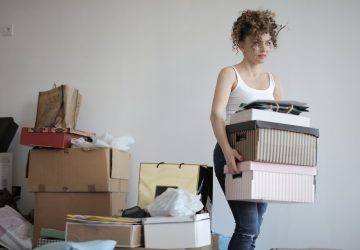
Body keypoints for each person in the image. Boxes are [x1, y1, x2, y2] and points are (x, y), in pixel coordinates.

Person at [210, 9, 284, 250]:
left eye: (268, 43)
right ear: (241, 44)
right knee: (248, 226)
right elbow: (216, 115)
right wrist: (227, 150)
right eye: (255, 43)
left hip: (261, 157)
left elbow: (277, 124)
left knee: (255, 227)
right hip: (233, 152)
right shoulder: (230, 73)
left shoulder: (274, 81)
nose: (263, 49)